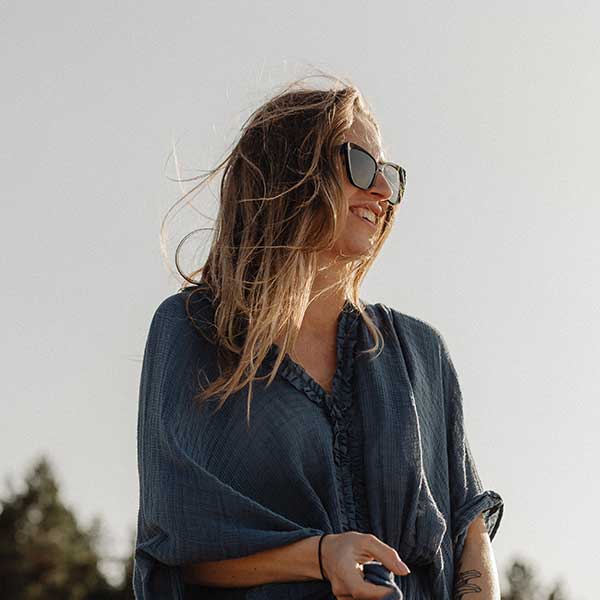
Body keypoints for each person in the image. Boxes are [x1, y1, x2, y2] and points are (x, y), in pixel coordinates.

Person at [133, 75, 504, 600]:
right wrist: (321, 556)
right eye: (361, 165)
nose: (382, 193)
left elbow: (469, 531)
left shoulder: (420, 353)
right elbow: (178, 545)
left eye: (390, 176)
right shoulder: (195, 330)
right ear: (293, 170)